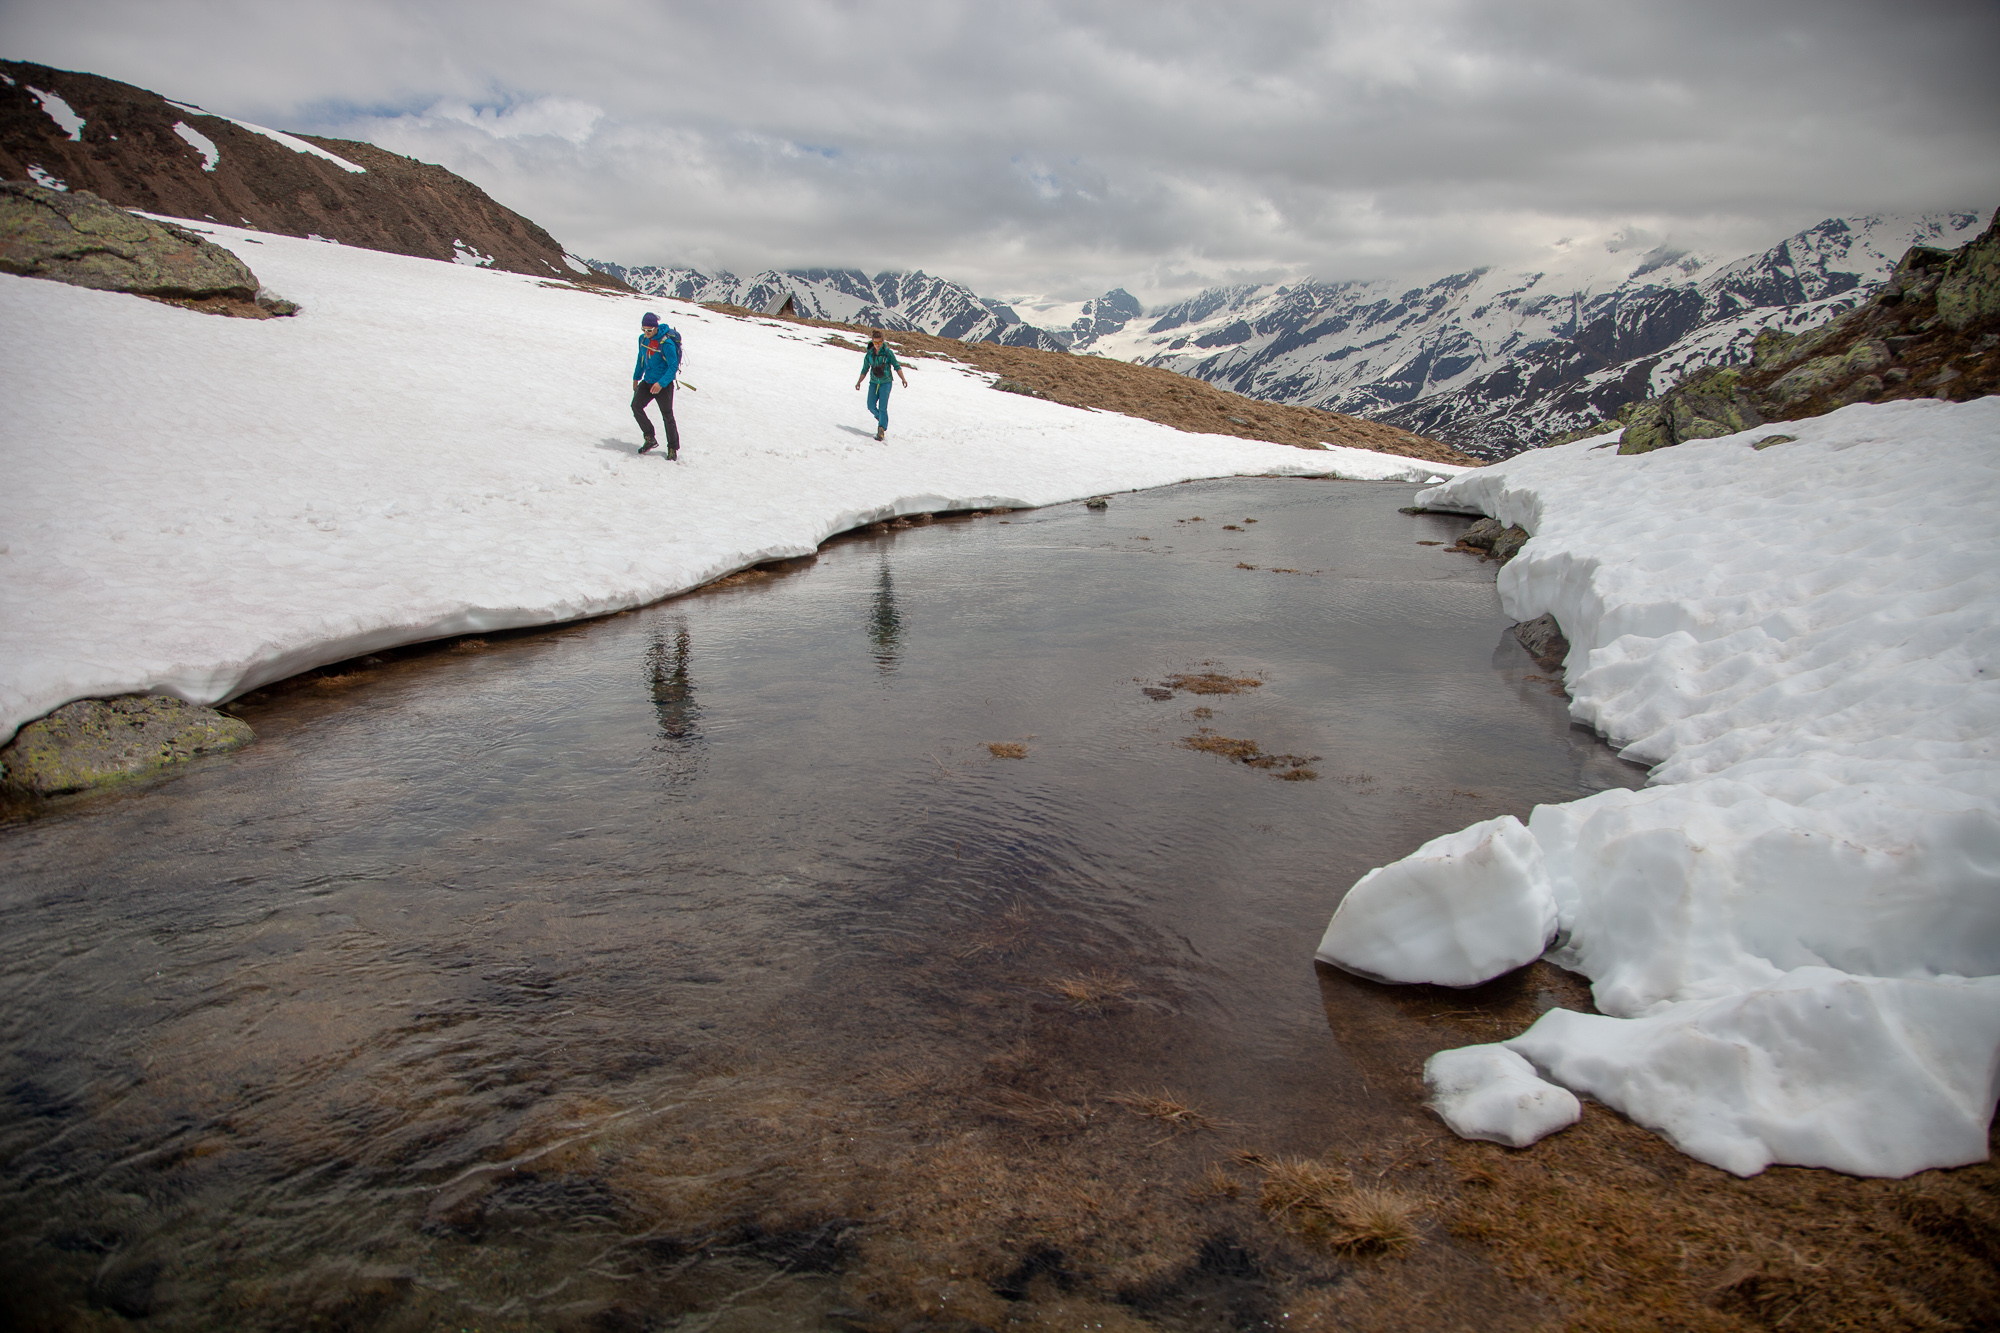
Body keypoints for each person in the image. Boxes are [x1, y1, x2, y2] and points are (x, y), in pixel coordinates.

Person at [632, 312, 682, 459]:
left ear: (655, 327)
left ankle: (672, 448)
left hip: (663, 385)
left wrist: (661, 383)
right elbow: (641, 359)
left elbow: (673, 366)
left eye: (649, 330)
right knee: (636, 406)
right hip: (648, 381)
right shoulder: (642, 340)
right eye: (644, 329)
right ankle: (650, 437)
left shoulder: (666, 343)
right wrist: (636, 377)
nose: (646, 333)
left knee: (667, 416)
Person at [854, 327, 909, 440]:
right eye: (875, 342)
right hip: (873, 383)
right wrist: (859, 381)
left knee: (882, 407)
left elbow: (896, 366)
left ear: (883, 341)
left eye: (879, 342)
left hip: (886, 383)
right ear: (872, 341)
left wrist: (903, 379)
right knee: (870, 405)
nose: (877, 344)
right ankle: (882, 419)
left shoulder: (888, 353)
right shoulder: (869, 355)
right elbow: (865, 369)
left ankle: (881, 430)